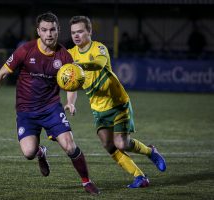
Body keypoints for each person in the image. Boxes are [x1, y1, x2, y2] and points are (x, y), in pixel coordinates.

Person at [0, 12, 100, 195]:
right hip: (26, 111)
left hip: (51, 108)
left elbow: (72, 83)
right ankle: (41, 152)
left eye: (53, 30)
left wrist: (70, 102)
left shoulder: (64, 56)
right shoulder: (25, 50)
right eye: (45, 30)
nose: (49, 34)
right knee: (28, 153)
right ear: (38, 31)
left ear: (58, 31)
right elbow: (1, 73)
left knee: (69, 145)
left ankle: (87, 182)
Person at [66, 16, 166, 188]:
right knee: (107, 144)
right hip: (98, 109)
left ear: (89, 31)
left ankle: (151, 151)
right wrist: (71, 102)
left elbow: (98, 63)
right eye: (73, 32)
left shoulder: (99, 48)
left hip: (118, 103)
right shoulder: (70, 54)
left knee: (122, 143)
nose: (76, 35)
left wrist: (80, 65)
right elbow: (71, 83)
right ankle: (139, 176)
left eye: (80, 31)